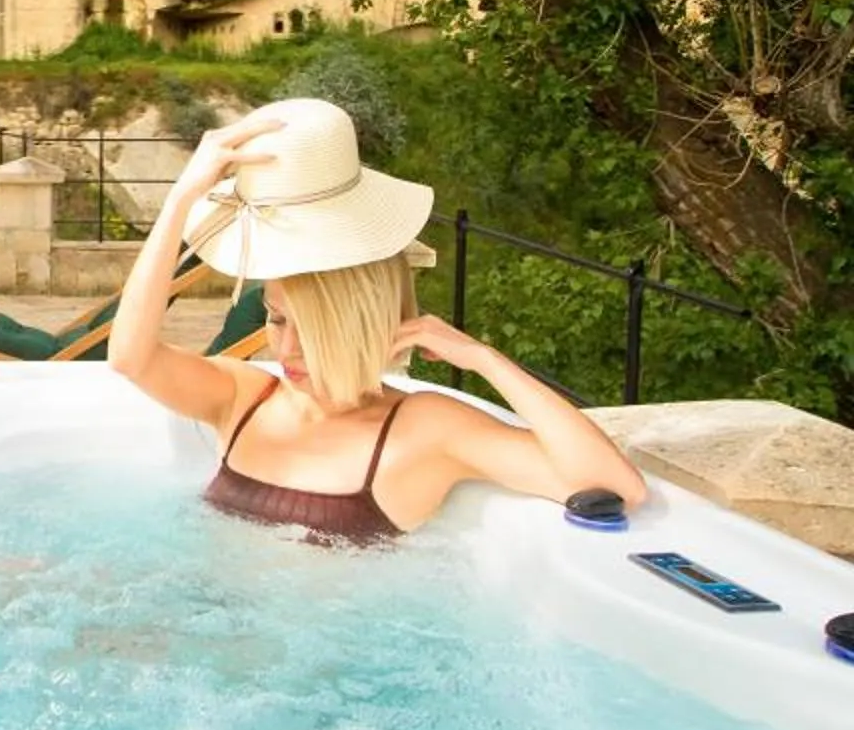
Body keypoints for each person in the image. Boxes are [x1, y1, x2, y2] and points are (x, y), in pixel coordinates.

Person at [107, 97, 647, 544]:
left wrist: (483, 359)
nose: (285, 350)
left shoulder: (423, 430)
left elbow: (615, 485)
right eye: (276, 320)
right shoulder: (244, 398)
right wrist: (181, 200)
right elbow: (130, 357)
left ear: (360, 321)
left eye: (312, 329)